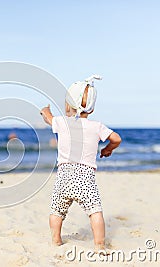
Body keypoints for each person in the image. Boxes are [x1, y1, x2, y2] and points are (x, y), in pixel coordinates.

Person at [39, 75, 121, 254]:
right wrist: (108, 149)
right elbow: (117, 138)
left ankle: (56, 241)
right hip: (85, 179)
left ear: (69, 105)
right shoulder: (97, 126)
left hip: (65, 177)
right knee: (95, 212)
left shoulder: (61, 123)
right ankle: (99, 245)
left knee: (57, 211)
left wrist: (45, 110)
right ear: (91, 109)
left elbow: (47, 117)